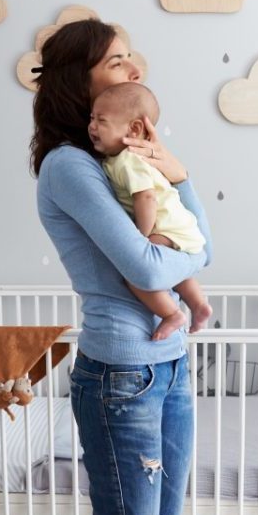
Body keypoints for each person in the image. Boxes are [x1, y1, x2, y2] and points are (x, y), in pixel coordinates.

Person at [17, 19, 211, 515]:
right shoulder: (71, 167)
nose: (134, 71)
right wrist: (177, 188)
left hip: (172, 360)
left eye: (132, 60)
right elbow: (150, 266)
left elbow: (204, 246)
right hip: (122, 374)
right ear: (82, 79)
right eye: (117, 62)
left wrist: (178, 174)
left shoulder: (119, 159)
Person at [89, 81, 212, 341]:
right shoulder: (119, 160)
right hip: (179, 227)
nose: (92, 127)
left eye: (101, 120)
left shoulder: (128, 159)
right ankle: (199, 305)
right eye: (91, 118)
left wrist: (141, 236)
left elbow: (146, 197)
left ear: (134, 129)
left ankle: (171, 314)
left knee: (134, 272)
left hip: (163, 226)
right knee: (177, 273)